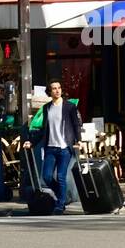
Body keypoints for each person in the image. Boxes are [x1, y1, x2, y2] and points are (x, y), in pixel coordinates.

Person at [26, 80, 82, 215]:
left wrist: (79, 140)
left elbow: (76, 125)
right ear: (49, 92)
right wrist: (31, 142)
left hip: (64, 148)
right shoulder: (46, 108)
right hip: (50, 147)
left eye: (59, 88)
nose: (57, 91)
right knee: (47, 177)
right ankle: (62, 196)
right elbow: (43, 129)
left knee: (61, 176)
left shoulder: (69, 107)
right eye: (54, 89)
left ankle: (60, 205)